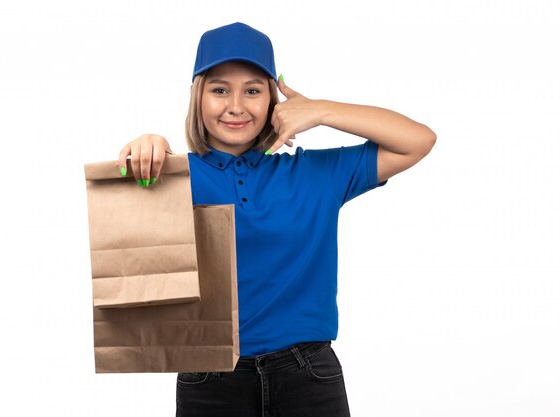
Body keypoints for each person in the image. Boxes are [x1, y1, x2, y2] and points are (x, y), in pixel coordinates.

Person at [118, 22, 435, 417]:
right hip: (209, 379)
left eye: (253, 90)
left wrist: (320, 110)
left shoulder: (314, 174)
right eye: (219, 90)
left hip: (308, 376)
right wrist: (150, 145)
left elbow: (418, 140)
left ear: (273, 100)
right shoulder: (172, 178)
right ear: (197, 98)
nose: (236, 105)